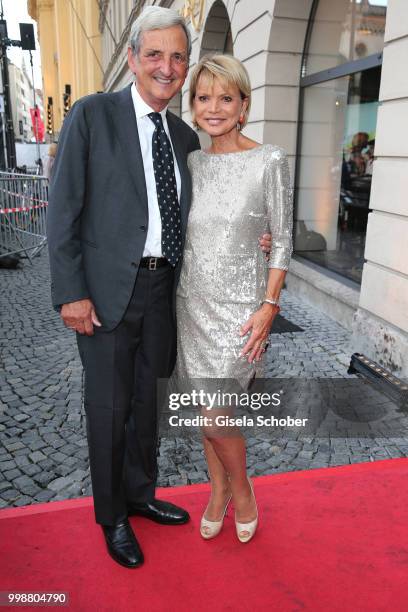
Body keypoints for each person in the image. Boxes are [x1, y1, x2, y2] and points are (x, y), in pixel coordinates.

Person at [47, 6, 272, 568]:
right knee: (108, 404)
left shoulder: (183, 134)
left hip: (169, 293)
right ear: (133, 58)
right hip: (102, 295)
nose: (166, 68)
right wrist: (70, 292)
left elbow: (212, 210)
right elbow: (63, 210)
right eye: (155, 55)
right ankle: (112, 516)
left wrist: (259, 240)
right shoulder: (93, 115)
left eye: (177, 57)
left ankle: (142, 494)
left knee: (149, 404)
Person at [174, 55, 293, 543]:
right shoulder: (191, 165)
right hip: (191, 304)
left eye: (226, 98)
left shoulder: (270, 160)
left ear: (244, 106)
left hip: (242, 310)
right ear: (194, 106)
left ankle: (241, 491)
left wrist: (269, 306)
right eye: (204, 98)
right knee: (207, 407)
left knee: (215, 411)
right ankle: (217, 490)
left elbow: (282, 239)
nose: (214, 107)